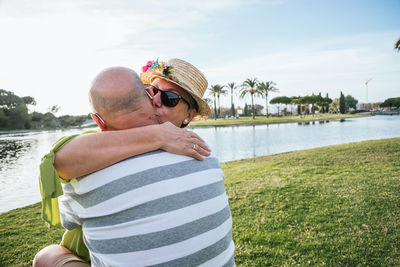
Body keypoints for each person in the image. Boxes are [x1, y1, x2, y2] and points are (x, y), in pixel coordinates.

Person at [34, 59, 234, 266]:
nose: (156, 100)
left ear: (189, 116)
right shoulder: (207, 156)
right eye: (152, 90)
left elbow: (62, 167)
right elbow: (62, 157)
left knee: (48, 256)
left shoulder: (198, 150)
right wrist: (158, 135)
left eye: (170, 98)